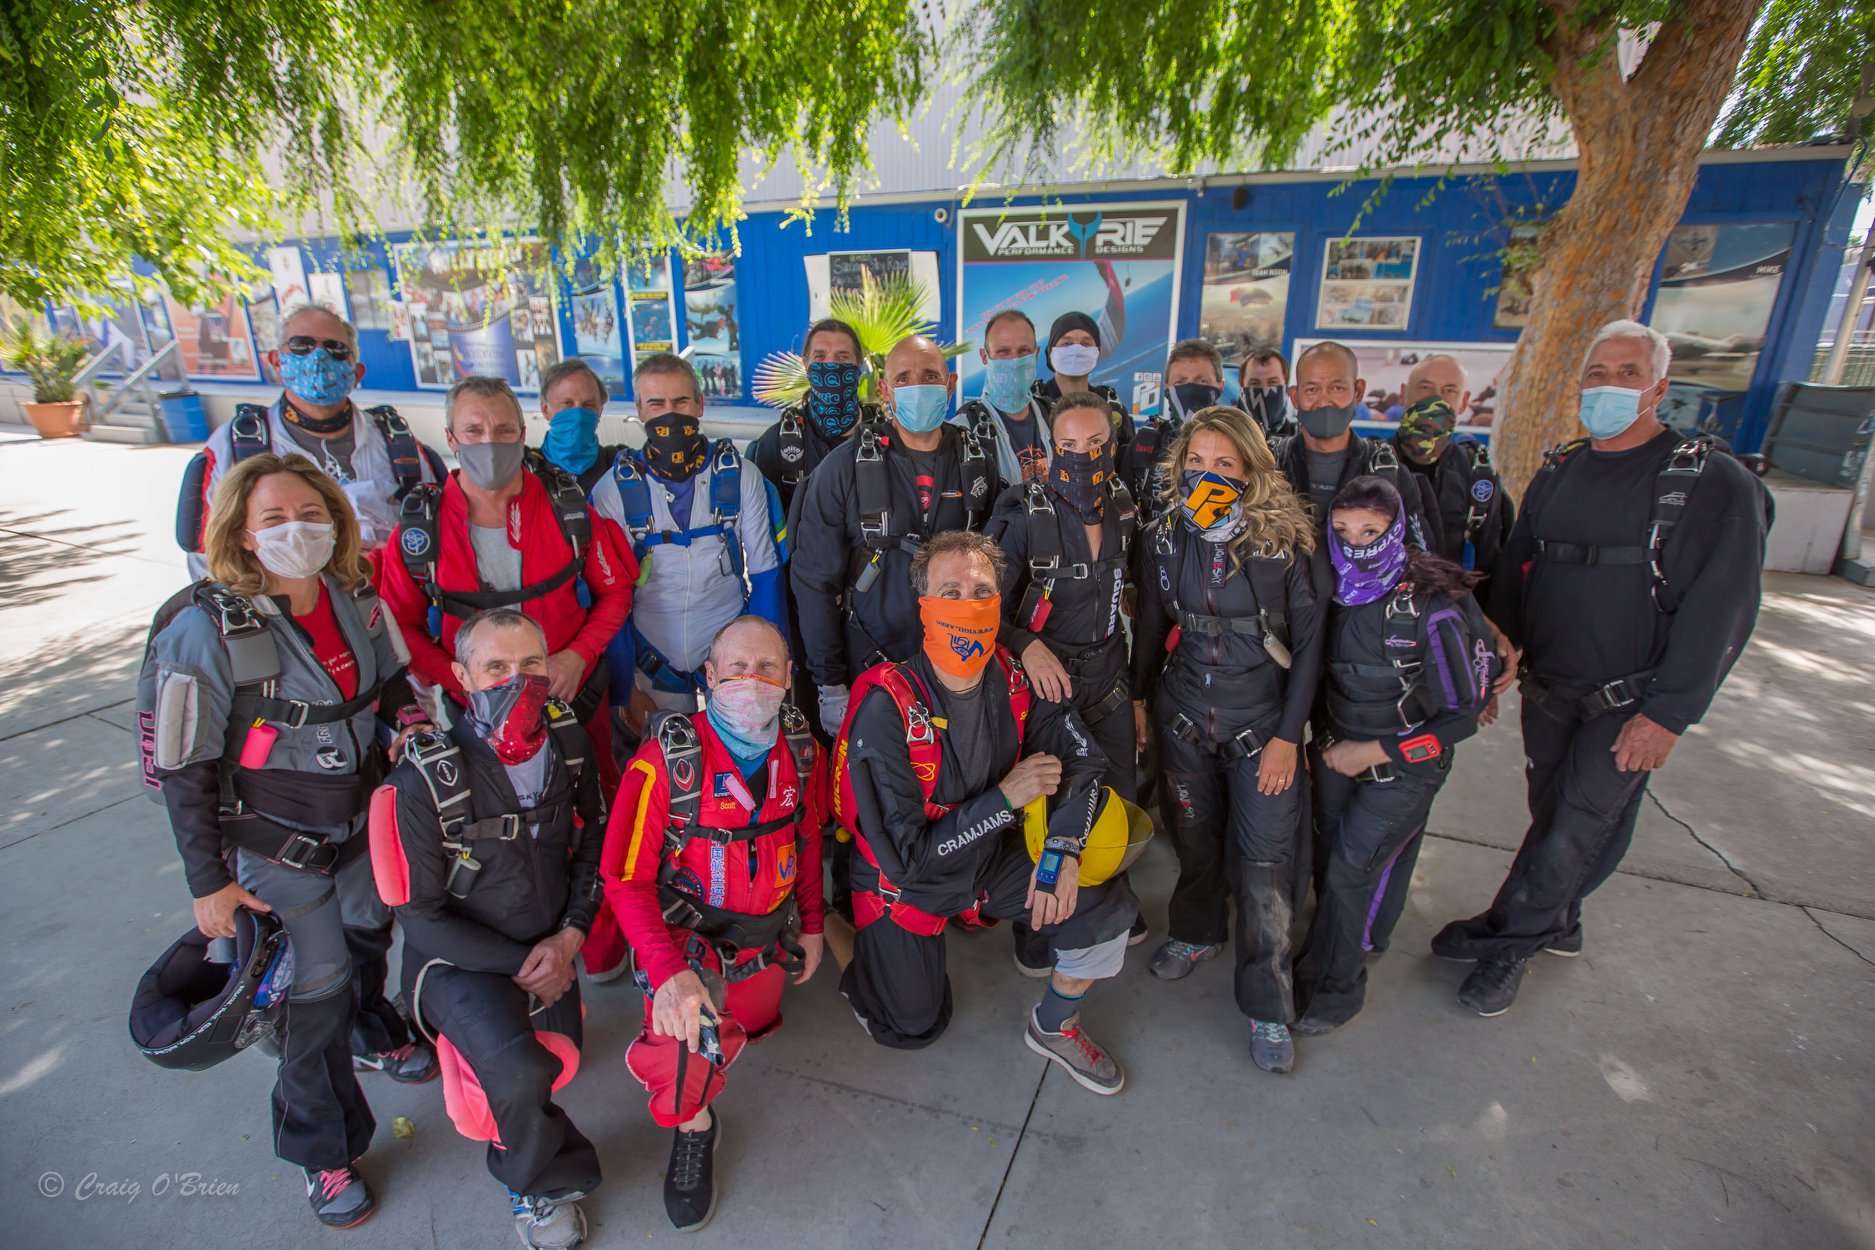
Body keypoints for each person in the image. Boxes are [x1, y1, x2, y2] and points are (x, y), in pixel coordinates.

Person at [1432, 320, 1770, 1016]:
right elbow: (1519, 573)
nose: (1607, 386)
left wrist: (1668, 715)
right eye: (1596, 374)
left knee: (1576, 827)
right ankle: (1558, 920)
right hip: (1551, 688)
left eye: (1625, 373)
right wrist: (1491, 659)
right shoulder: (1561, 469)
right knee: (1552, 813)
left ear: (1658, 388)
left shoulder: (1710, 482)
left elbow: (1724, 609)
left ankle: (1509, 943)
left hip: (1631, 699)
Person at [144, 453, 435, 1228]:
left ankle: (373, 1029)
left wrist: (411, 733)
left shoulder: (354, 599)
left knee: (369, 938)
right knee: (311, 996)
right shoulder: (205, 630)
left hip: (358, 827)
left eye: (310, 514)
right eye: (274, 520)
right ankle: (324, 1151)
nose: (296, 530)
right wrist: (208, 882)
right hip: (275, 846)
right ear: (240, 533)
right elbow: (184, 767)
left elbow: (396, 686)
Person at [833, 531, 1137, 1091]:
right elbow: (907, 861)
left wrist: (1062, 851)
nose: (968, 601)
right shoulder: (886, 708)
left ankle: (1053, 1025)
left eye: (982, 589)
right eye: (950, 589)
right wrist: (1006, 799)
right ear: (922, 603)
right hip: (908, 881)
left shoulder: (1020, 676)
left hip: (989, 859)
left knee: (1106, 904)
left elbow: (1085, 761)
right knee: (913, 1025)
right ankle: (839, 929)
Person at [370, 610, 605, 1248]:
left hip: (552, 939)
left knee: (565, 1061)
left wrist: (571, 937)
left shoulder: (570, 743)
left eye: (531, 665)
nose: (516, 680)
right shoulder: (426, 778)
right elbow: (419, 916)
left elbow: (596, 847)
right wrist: (529, 962)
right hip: (456, 962)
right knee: (520, 1073)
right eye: (496, 668)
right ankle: (535, 1182)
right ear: (460, 678)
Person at [600, 617, 827, 1232]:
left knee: (754, 1026)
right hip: (688, 936)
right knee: (685, 1054)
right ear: (709, 677)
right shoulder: (663, 765)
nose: (751, 682)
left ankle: (732, 1008)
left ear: (788, 678)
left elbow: (808, 840)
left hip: (764, 932)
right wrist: (669, 974)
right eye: (735, 669)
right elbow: (624, 879)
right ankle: (695, 1129)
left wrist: (812, 923)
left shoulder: (802, 751)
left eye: (767, 669)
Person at [1131, 406, 1323, 1074]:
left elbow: (1310, 648)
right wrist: (1134, 698)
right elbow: (1153, 626)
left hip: (1260, 724)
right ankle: (1194, 929)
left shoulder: (1284, 543)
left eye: (1222, 465)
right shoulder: (1163, 536)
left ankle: (1267, 1002)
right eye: (1194, 463)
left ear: (1249, 471)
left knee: (1266, 864)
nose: (1205, 475)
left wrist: (1286, 737)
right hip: (1183, 715)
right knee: (1192, 836)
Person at [1292, 477, 1497, 1034]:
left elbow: (1461, 719)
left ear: (1397, 530)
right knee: (1333, 860)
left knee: (1349, 871)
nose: (1354, 543)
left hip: (1406, 765)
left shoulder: (1431, 604)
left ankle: (1334, 993)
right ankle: (1363, 937)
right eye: (1342, 531)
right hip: (1336, 751)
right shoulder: (1325, 588)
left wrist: (1380, 750)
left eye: (1370, 531)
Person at [377, 375, 635, 774]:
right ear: (451, 438)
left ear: (522, 433)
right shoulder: (419, 532)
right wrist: (463, 681)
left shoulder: (568, 511)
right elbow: (400, 629)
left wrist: (577, 657)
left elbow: (616, 592)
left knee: (595, 803)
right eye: (473, 431)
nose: (489, 443)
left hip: (570, 698)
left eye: (503, 430)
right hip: (471, 715)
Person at [985, 392, 1149, 973]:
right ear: (1051, 449)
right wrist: (1025, 645)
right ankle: (1037, 930)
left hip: (1109, 681)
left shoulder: (1124, 506)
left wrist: (1139, 696)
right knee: (1047, 816)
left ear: (1114, 444)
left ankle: (1106, 905)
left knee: (1119, 801)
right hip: (1044, 690)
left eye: (1096, 444)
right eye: (1068, 446)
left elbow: (1137, 596)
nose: (1083, 456)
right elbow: (983, 609)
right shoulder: (1023, 513)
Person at [790, 333, 1001, 738]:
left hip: (960, 669)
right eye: (903, 378)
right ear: (885, 390)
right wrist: (830, 684)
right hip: (871, 670)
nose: (917, 385)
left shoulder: (976, 464)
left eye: (929, 375)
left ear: (951, 384)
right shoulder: (844, 468)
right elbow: (814, 582)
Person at [589, 352, 786, 743]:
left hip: (732, 658)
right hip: (648, 662)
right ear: (640, 411)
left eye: (680, 402)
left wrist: (769, 668)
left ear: (699, 403)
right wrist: (625, 683)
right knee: (660, 775)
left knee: (740, 759)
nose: (670, 415)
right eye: (657, 404)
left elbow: (766, 575)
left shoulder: (740, 476)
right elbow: (609, 594)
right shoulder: (613, 489)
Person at [178, 304, 445, 576]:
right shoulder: (234, 448)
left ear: (356, 372)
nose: (319, 358)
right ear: (276, 361)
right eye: (301, 346)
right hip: (283, 609)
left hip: (389, 601)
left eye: (335, 349)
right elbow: (208, 557)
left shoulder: (399, 444)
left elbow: (440, 532)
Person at [1272, 341, 1441, 553]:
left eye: (1337, 388)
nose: (1324, 401)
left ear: (1358, 392)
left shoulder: (1387, 472)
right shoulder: (1269, 464)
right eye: (1312, 389)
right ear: (1295, 397)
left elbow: (1419, 558)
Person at [1390, 354, 1515, 597]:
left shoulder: (1478, 476)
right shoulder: (1372, 463)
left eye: (1449, 391)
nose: (1435, 400)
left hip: (1454, 613)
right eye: (1425, 387)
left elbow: (1493, 563)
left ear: (1464, 401)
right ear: (1404, 393)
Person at [747, 318, 882, 515]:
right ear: (806, 364)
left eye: (843, 357)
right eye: (820, 357)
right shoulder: (776, 443)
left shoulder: (886, 434)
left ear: (859, 365)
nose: (831, 365)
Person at [958, 309, 1054, 485]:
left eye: (1024, 351)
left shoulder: (1055, 418)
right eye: (1004, 352)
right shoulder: (963, 431)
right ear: (984, 357)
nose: (1015, 361)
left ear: (1036, 354)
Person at [1029, 310, 1136, 446]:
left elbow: (1124, 458)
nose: (1076, 351)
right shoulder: (1034, 404)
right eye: (1067, 344)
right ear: (1051, 351)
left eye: (1086, 344)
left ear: (1096, 351)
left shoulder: (1111, 405)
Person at [536, 358, 628, 495]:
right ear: (545, 410)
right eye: (567, 404)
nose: (578, 415)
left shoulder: (620, 465)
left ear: (600, 411)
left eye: (588, 405)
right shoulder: (527, 471)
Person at [1237, 346, 1296, 441]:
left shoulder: (1301, 441)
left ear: (1286, 388)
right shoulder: (1228, 438)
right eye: (1255, 383)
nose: (1264, 389)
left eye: (1272, 383)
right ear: (1242, 390)